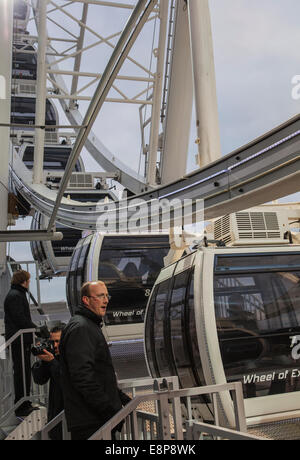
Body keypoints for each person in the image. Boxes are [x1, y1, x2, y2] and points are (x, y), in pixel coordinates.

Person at [59, 281, 131, 440]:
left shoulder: (87, 325)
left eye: (107, 295)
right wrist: (109, 411)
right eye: (100, 296)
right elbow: (83, 377)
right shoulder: (81, 328)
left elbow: (99, 374)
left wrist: (120, 397)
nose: (105, 300)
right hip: (92, 422)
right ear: (86, 300)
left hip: (94, 420)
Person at [4, 270, 37, 417]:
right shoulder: (16, 296)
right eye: (28, 280)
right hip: (19, 341)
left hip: (19, 340)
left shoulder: (15, 294)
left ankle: (24, 402)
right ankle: (22, 404)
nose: (29, 283)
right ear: (23, 281)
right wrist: (36, 329)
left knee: (22, 372)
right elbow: (20, 319)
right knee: (22, 373)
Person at [32, 325, 65, 440]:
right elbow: (39, 379)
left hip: (69, 419)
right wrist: (44, 361)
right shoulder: (53, 358)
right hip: (55, 417)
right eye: (52, 342)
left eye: (58, 341)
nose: (55, 345)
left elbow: (65, 381)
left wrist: (52, 362)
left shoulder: (73, 357)